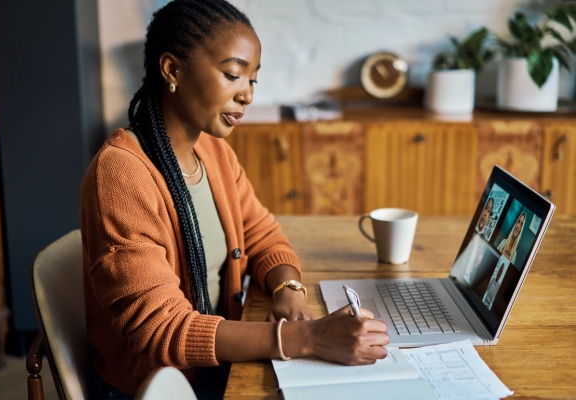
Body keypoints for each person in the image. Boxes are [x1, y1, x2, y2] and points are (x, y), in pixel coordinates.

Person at [79, 1, 389, 399]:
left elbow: (262, 234)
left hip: (214, 364)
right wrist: (305, 338)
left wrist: (289, 290)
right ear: (172, 69)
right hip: (157, 384)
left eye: (253, 81)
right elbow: (162, 330)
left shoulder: (213, 151)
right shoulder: (121, 175)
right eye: (232, 74)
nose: (247, 96)